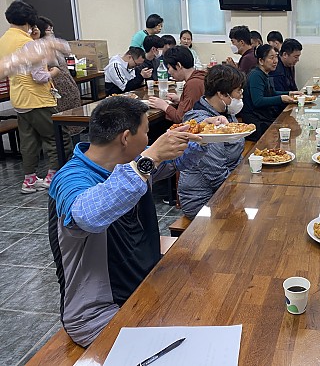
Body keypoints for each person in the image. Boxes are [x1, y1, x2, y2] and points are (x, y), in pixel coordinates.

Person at [48, 96, 225, 347]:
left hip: (146, 287)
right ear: (125, 138)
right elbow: (87, 216)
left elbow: (177, 160)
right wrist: (148, 159)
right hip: (98, 314)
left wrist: (202, 133)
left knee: (215, 304)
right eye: (146, 132)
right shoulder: (71, 178)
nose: (148, 141)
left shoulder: (130, 163)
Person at [0, 0, 73, 193]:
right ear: (29, 21)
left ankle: (30, 180)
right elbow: (39, 76)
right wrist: (54, 71)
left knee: (29, 141)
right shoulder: (28, 44)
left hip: (19, 99)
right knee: (58, 137)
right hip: (37, 99)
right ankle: (52, 177)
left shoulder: (4, 40)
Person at [178, 64, 246, 217]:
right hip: (203, 199)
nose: (241, 96)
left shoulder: (225, 113)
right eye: (238, 91)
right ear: (221, 94)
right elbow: (216, 174)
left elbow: (236, 154)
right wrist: (243, 189)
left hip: (226, 186)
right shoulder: (204, 125)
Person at [35, 16, 84, 136]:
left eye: (52, 29)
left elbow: (67, 50)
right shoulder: (38, 48)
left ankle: (75, 142)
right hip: (57, 89)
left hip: (68, 85)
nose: (51, 32)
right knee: (64, 123)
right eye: (48, 30)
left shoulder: (53, 45)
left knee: (75, 118)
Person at [239, 44, 299, 141]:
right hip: (256, 122)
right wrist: (281, 99)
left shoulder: (264, 73)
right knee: (287, 128)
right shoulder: (256, 75)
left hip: (263, 116)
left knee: (289, 125)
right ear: (261, 61)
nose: (275, 61)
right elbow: (258, 101)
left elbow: (271, 92)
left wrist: (289, 93)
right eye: (271, 58)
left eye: (276, 57)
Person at [148, 46, 205, 123]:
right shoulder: (200, 76)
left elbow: (181, 118)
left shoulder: (193, 84)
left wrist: (164, 106)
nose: (169, 72)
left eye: (169, 68)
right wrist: (180, 99)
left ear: (179, 65)